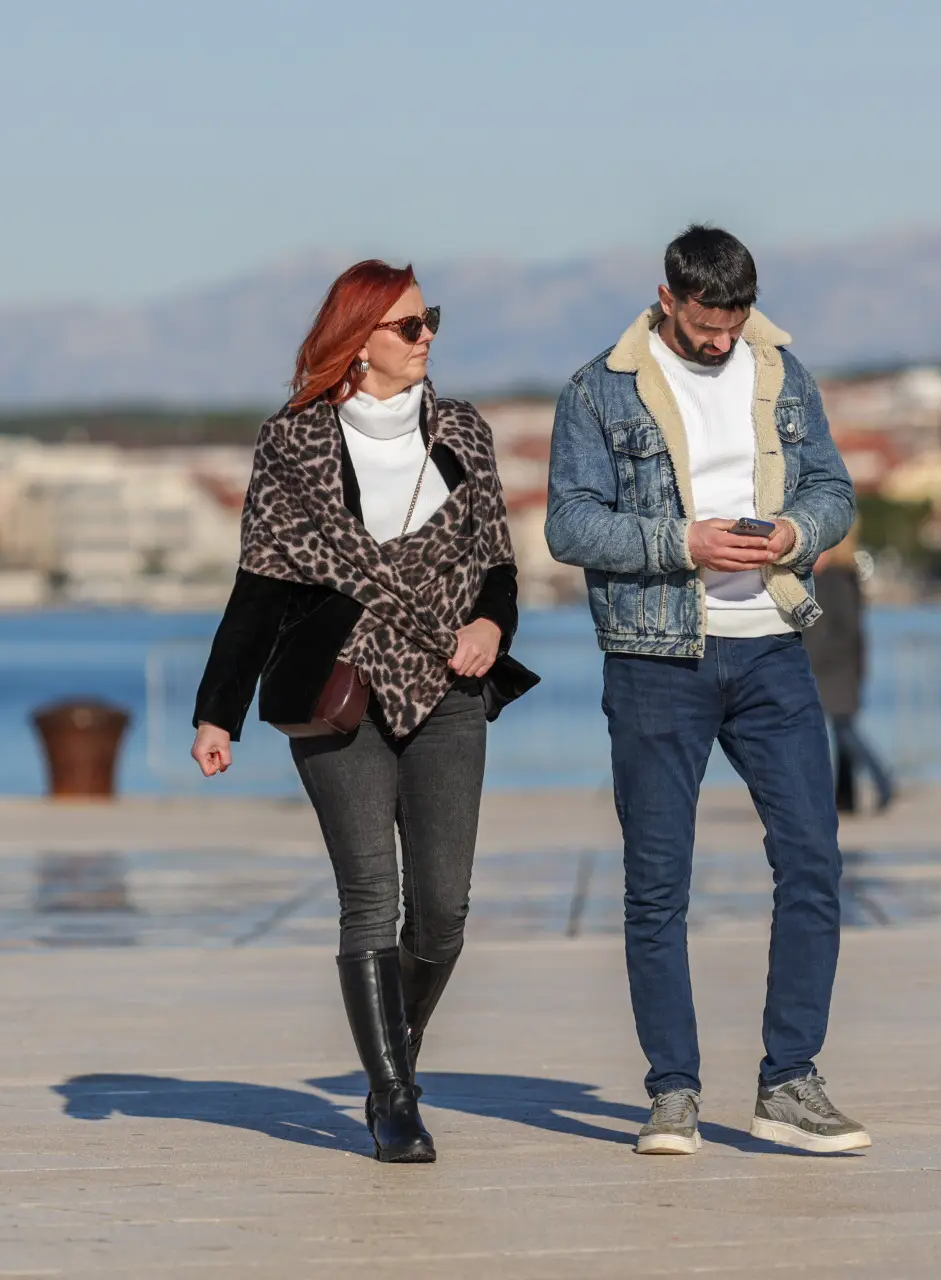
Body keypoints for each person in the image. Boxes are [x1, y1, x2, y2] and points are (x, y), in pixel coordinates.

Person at [190, 260, 537, 1163]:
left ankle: (396, 1048)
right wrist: (218, 712)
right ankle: (392, 1099)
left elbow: (497, 565)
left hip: (449, 688)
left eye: (430, 321)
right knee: (370, 899)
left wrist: (492, 625)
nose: (427, 338)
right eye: (409, 326)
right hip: (336, 691)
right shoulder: (292, 443)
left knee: (444, 910)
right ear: (358, 342)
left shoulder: (462, 432)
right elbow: (260, 585)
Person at [545, 225, 865, 1157]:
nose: (721, 340)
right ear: (667, 298)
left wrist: (795, 534)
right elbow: (569, 524)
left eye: (734, 322)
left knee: (813, 862)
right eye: (704, 323)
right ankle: (672, 1093)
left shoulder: (781, 373)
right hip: (656, 658)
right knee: (658, 885)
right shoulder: (598, 390)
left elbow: (834, 490)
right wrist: (681, 542)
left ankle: (790, 1082)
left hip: (773, 647)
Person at [802, 526, 894, 815]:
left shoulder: (837, 580)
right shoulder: (836, 578)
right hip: (837, 669)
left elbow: (845, 630)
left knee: (845, 733)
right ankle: (846, 798)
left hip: (836, 671)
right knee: (843, 733)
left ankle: (883, 780)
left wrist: (817, 657)